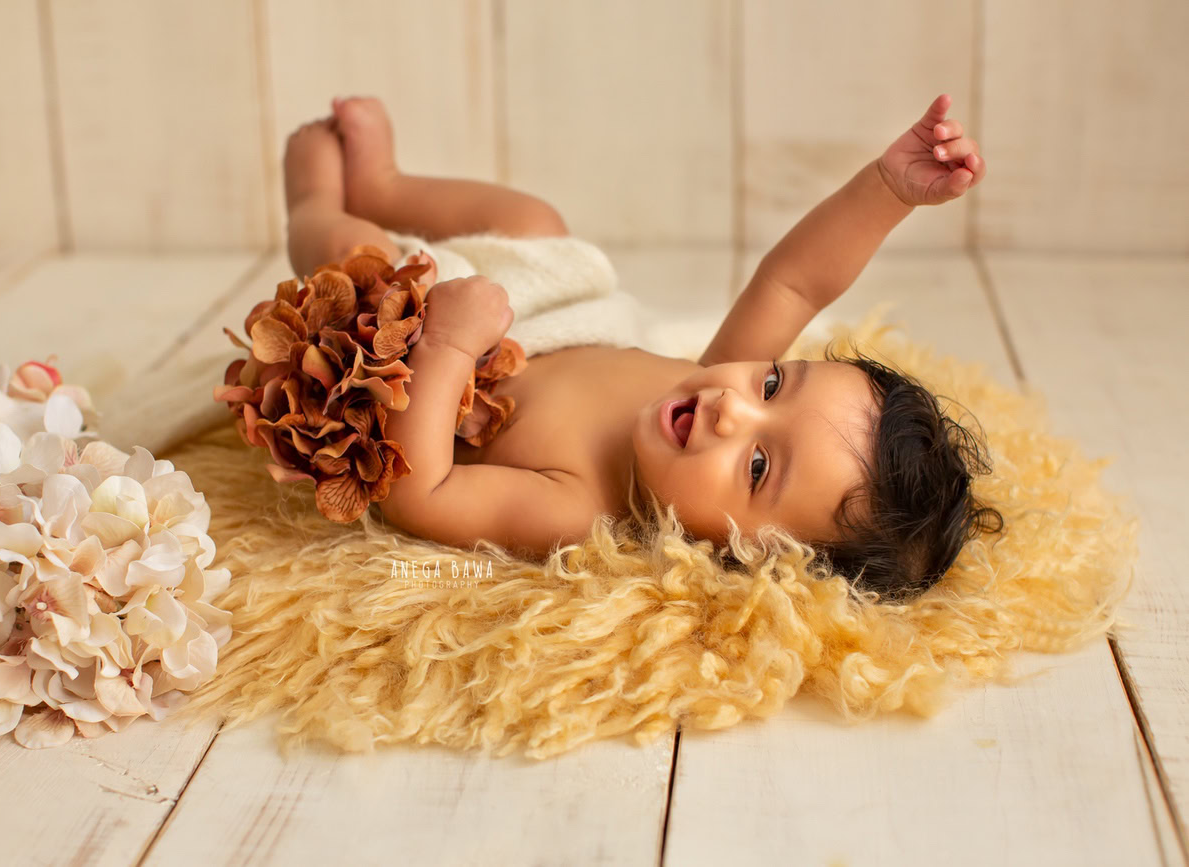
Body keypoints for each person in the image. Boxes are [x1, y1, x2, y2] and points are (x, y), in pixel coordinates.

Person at [281, 93, 1003, 601]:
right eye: (776, 385)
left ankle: (316, 202)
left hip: (423, 362)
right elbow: (795, 284)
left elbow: (422, 494)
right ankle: (385, 183)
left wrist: (445, 341)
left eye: (757, 466)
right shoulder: (713, 379)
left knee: (356, 258)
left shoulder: (582, 508)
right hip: (548, 309)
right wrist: (887, 190)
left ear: (744, 557)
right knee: (532, 219)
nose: (732, 408)